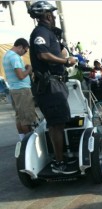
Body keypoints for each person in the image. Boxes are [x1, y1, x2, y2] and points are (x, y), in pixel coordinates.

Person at [28, 1, 78, 174]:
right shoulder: (40, 32)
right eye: (53, 14)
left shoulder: (48, 33)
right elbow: (42, 54)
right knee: (55, 124)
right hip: (49, 86)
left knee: (59, 122)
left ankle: (61, 156)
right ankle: (59, 163)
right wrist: (65, 61)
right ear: (47, 15)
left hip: (55, 83)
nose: (54, 17)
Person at [2, 38, 36, 141]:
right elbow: (20, 76)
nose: (24, 53)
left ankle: (22, 141)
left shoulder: (6, 55)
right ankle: (29, 143)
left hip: (14, 90)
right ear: (20, 47)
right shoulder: (15, 57)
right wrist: (29, 69)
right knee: (26, 119)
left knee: (20, 118)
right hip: (22, 90)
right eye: (25, 50)